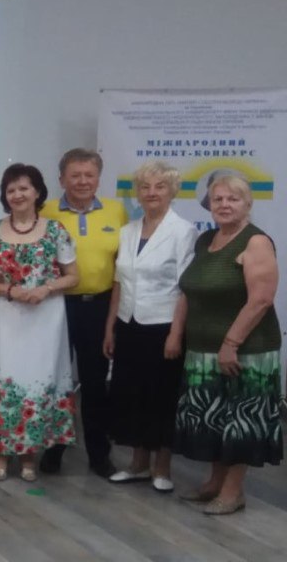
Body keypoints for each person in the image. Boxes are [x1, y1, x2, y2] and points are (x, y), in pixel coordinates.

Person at [175, 173, 281, 515]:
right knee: (213, 419)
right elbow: (190, 289)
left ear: (247, 204)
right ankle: (214, 483)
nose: (224, 205)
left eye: (232, 199)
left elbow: (261, 300)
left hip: (245, 351)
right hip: (203, 350)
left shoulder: (256, 242)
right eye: (217, 199)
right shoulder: (206, 240)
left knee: (241, 423)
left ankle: (233, 492)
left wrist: (230, 343)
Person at [0, 164, 80, 482]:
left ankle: (30, 455)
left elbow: (74, 277)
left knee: (39, 380)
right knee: (5, 381)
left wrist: (46, 288)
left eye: (24, 188)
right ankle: (1, 454)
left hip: (46, 320)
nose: (17, 194)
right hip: (7, 318)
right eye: (11, 190)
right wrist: (8, 290)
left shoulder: (56, 230)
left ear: (37, 192)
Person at [102, 161, 196, 492]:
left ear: (172, 191)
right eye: (145, 187)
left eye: (159, 186)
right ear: (138, 193)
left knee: (161, 396)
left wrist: (176, 334)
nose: (151, 192)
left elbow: (185, 288)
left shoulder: (183, 231)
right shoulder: (127, 231)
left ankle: (162, 469)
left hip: (163, 326)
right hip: (129, 324)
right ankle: (138, 465)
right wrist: (110, 328)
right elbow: (119, 283)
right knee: (131, 395)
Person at [38, 148, 128, 478]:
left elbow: (124, 265)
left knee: (94, 383)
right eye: (74, 175)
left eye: (89, 175)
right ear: (61, 179)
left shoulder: (117, 211)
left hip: (99, 307)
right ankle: (53, 449)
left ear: (98, 179)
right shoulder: (45, 212)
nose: (82, 181)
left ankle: (99, 454)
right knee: (55, 379)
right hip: (56, 306)